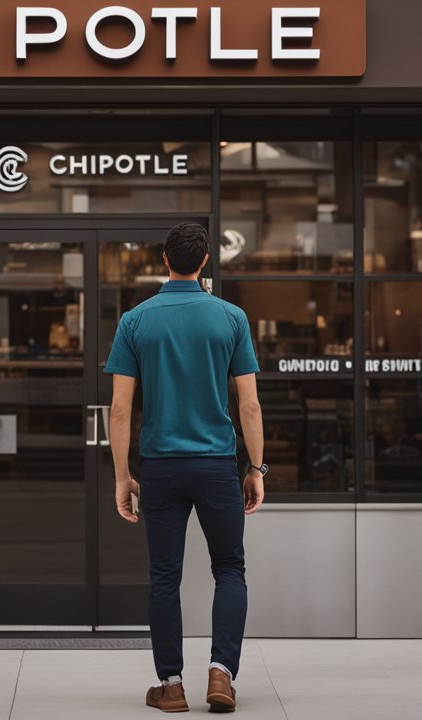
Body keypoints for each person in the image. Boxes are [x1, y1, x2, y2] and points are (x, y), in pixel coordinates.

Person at [104, 221, 266, 714]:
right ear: (205, 262)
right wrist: (256, 467)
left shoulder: (135, 320)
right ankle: (222, 675)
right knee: (230, 569)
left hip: (160, 468)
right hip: (217, 464)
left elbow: (120, 410)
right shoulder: (231, 318)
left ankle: (171, 686)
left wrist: (122, 477)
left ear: (163, 260)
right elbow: (250, 405)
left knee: (163, 577)